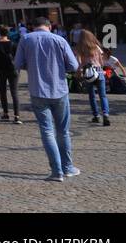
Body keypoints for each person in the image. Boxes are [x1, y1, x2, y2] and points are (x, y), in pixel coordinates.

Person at [14, 17, 82, 181]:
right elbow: (73, 66)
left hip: (38, 91)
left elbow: (17, 63)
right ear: (49, 26)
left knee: (47, 131)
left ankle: (56, 171)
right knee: (63, 131)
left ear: (33, 26)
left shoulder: (26, 39)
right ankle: (67, 167)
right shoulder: (59, 39)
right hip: (59, 90)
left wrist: (31, 65)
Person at [74, 30, 111, 126]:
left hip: (88, 73)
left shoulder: (80, 48)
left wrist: (79, 71)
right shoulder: (96, 47)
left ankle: (96, 116)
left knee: (92, 96)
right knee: (103, 96)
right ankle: (106, 115)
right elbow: (102, 62)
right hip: (99, 71)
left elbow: (79, 62)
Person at [0, 25, 21, 123]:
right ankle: (17, 116)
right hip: (13, 70)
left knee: (3, 92)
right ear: (8, 33)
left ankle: (6, 113)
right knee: (14, 92)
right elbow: (18, 58)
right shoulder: (13, 44)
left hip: (1, 70)